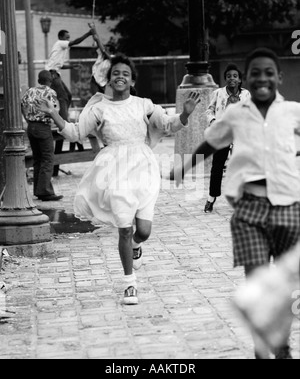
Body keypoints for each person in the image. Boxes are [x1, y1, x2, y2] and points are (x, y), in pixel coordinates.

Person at [37, 54, 201, 305]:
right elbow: (75, 133)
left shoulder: (143, 104)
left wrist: (185, 115)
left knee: (143, 231)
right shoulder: (99, 109)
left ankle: (136, 244)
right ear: (109, 79)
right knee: (124, 228)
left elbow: (168, 125)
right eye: (116, 73)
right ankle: (129, 284)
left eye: (125, 73)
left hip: (143, 168)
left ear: (132, 79)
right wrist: (54, 115)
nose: (120, 76)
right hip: (114, 172)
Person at [171, 48, 300, 359]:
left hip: (289, 208)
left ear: (279, 77)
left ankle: (280, 343)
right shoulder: (236, 113)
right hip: (249, 211)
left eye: (269, 72)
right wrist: (184, 167)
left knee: (282, 287)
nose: (262, 77)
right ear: (246, 79)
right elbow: (212, 141)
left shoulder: (293, 112)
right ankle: (261, 349)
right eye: (255, 72)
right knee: (256, 283)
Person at [46, 28, 95, 176]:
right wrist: (88, 33)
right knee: (62, 97)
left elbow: (59, 64)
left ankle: (63, 117)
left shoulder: (60, 48)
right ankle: (64, 121)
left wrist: (72, 66)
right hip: (52, 75)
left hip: (55, 73)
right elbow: (75, 42)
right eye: (67, 37)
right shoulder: (61, 43)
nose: (68, 40)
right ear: (61, 37)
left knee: (68, 95)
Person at [204, 64, 251, 213]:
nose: (232, 79)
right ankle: (211, 197)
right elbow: (209, 109)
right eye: (229, 76)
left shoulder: (246, 95)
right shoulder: (218, 93)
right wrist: (212, 121)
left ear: (239, 80)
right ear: (225, 78)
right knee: (217, 166)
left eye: (235, 76)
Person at [21, 70, 63, 202]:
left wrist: (27, 118)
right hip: (43, 128)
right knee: (47, 158)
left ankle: (38, 190)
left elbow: (22, 104)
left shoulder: (30, 91)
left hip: (31, 127)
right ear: (50, 81)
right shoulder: (51, 92)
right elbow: (55, 110)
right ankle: (45, 192)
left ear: (39, 80)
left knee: (38, 159)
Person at [89, 24, 112, 96]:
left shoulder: (112, 59)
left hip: (104, 82)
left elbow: (103, 49)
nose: (105, 50)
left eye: (108, 49)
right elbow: (99, 42)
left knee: (106, 100)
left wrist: (97, 39)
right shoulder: (101, 55)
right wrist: (93, 29)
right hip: (95, 79)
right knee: (96, 99)